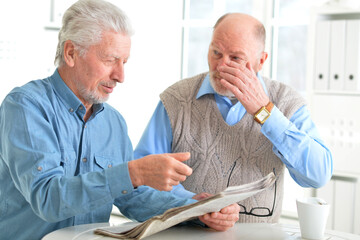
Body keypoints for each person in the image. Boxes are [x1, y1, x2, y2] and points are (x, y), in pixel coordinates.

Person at [0, 1, 240, 239]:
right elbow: (47, 198)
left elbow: (131, 197)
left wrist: (195, 210)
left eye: (124, 62)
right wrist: (133, 173)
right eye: (110, 60)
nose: (120, 76)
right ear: (71, 53)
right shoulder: (25, 107)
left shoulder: (113, 123)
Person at [134, 13, 333, 223]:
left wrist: (266, 113)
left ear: (261, 61)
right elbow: (139, 183)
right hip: (187, 234)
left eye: (235, 58)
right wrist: (194, 206)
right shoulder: (176, 100)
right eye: (216, 53)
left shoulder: (286, 101)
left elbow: (317, 175)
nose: (221, 66)